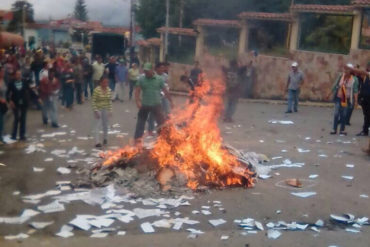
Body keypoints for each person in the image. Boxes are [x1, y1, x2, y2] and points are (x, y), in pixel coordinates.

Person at [134, 63, 173, 144]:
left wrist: (171, 101)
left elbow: (165, 91)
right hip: (145, 105)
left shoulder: (159, 79)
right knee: (140, 124)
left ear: (152, 70)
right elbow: (137, 90)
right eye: (145, 71)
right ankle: (137, 141)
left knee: (161, 124)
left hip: (156, 105)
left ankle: (163, 140)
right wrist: (137, 101)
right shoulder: (141, 79)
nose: (146, 73)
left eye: (147, 71)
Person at [326, 63, 359, 136]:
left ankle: (342, 130)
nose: (346, 71)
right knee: (336, 113)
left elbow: (355, 91)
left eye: (348, 69)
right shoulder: (341, 76)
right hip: (339, 97)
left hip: (346, 99)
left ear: (351, 71)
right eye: (346, 69)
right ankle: (334, 129)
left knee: (344, 114)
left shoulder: (354, 79)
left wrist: (356, 101)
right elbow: (335, 85)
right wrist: (329, 94)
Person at [6, 70, 32, 141]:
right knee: (16, 118)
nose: (19, 76)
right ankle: (14, 135)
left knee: (23, 119)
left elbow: (29, 90)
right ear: (15, 75)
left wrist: (37, 97)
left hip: (24, 102)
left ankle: (22, 135)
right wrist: (10, 101)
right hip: (15, 102)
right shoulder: (11, 83)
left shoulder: (24, 82)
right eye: (17, 74)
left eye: (20, 74)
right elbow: (7, 93)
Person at [92, 76, 112, 148]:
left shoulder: (109, 90)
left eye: (107, 82)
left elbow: (109, 101)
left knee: (105, 125)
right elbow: (93, 101)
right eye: (104, 82)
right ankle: (97, 142)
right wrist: (95, 111)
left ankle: (105, 138)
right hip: (98, 109)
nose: (106, 84)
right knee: (98, 125)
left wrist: (110, 110)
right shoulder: (96, 90)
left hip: (105, 109)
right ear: (100, 83)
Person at [352, 62, 370, 136]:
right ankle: (365, 130)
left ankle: (365, 130)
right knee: (366, 115)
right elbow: (358, 74)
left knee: (367, 115)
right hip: (364, 100)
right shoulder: (364, 77)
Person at [0, 66, 7, 143]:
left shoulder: (3, 80)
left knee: (2, 120)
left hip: (3, 104)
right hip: (0, 102)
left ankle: (1, 137)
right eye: (2, 72)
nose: (3, 73)